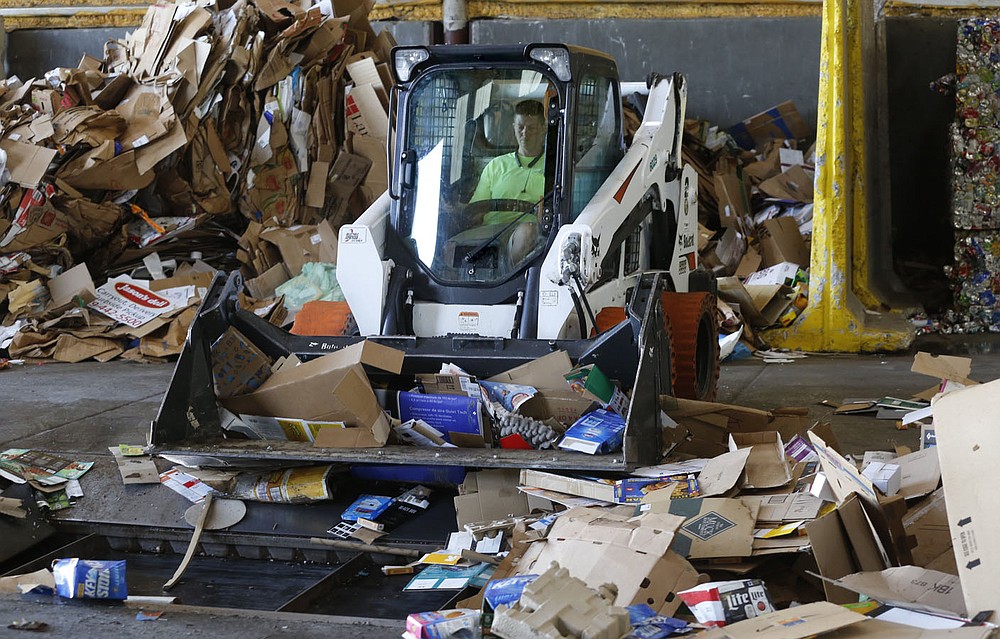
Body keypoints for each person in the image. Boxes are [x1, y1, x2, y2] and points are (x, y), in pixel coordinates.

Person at [468, 99, 547, 263]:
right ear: (514, 128)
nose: (525, 133)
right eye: (521, 127)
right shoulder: (495, 166)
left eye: (531, 128)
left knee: (527, 232)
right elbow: (476, 210)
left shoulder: (553, 168)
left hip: (531, 237)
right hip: (491, 234)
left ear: (543, 129)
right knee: (451, 246)